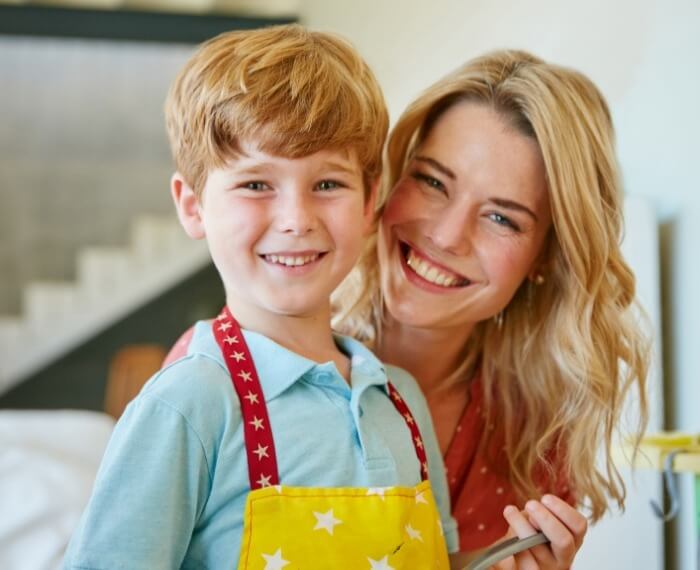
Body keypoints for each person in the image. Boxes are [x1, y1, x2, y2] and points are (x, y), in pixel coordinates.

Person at [63, 25, 461, 569]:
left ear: (371, 202)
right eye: (256, 184)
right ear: (193, 205)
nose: (296, 220)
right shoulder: (188, 405)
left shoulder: (402, 401)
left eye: (328, 184)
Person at [332, 49, 650, 567]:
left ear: (545, 257)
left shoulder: (538, 442)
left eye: (502, 218)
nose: (445, 235)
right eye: (432, 181)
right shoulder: (256, 370)